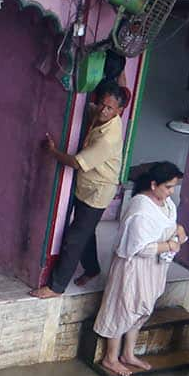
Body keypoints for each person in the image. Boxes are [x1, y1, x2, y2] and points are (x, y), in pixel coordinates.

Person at [92, 162, 186, 376]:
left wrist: (177, 231)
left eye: (173, 187)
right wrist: (169, 245)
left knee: (143, 309)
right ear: (154, 185)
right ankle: (111, 357)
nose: (171, 192)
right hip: (134, 267)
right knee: (124, 307)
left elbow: (169, 225)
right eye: (168, 187)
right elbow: (139, 247)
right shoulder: (140, 209)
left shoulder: (166, 203)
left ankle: (128, 354)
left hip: (155, 267)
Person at [35, 80, 129, 295]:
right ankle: (93, 268)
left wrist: (53, 151)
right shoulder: (100, 115)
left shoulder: (109, 137)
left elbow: (77, 162)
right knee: (86, 231)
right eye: (102, 105)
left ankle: (56, 287)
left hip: (97, 191)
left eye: (109, 108)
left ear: (119, 111)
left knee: (74, 239)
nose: (103, 111)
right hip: (86, 185)